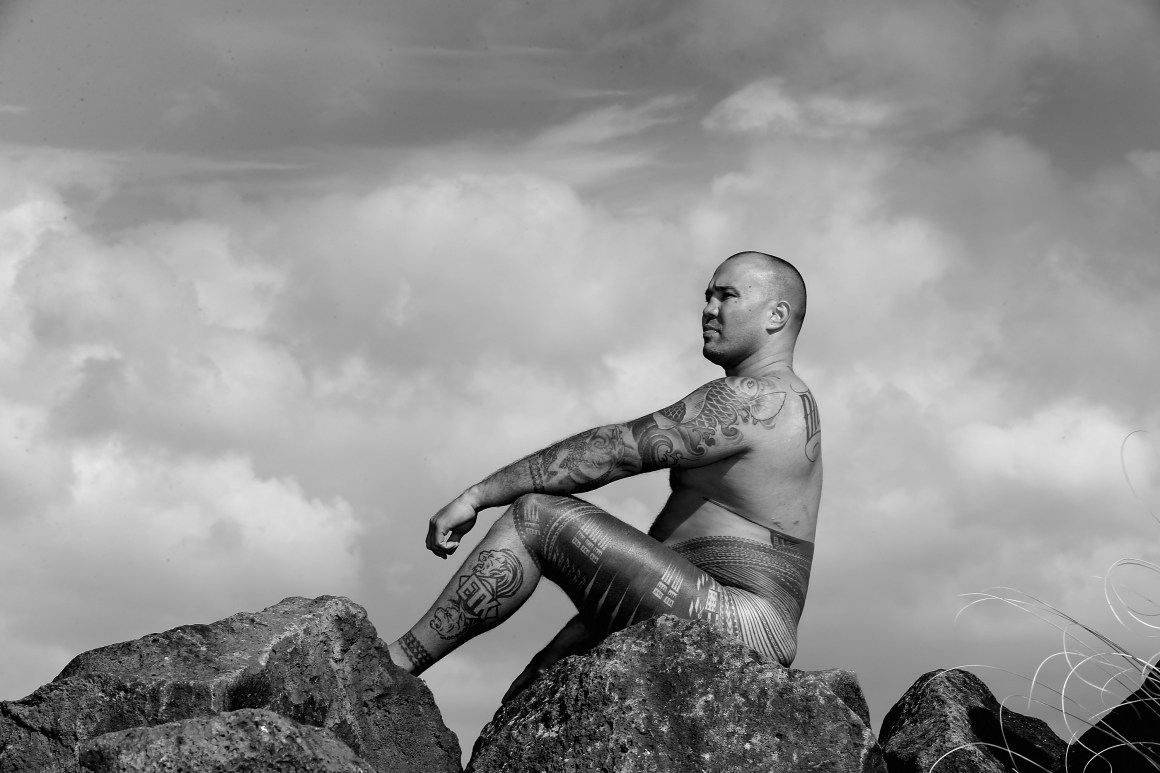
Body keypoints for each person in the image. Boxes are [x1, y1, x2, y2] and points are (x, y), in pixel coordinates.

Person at [386, 251, 823, 701]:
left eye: (727, 297)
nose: (709, 310)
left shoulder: (753, 398)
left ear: (777, 315)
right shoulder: (789, 398)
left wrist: (477, 495)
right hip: (718, 608)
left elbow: (614, 451)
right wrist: (568, 645)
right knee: (539, 681)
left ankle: (394, 666)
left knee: (536, 517)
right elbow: (668, 569)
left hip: (739, 622)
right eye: (708, 296)